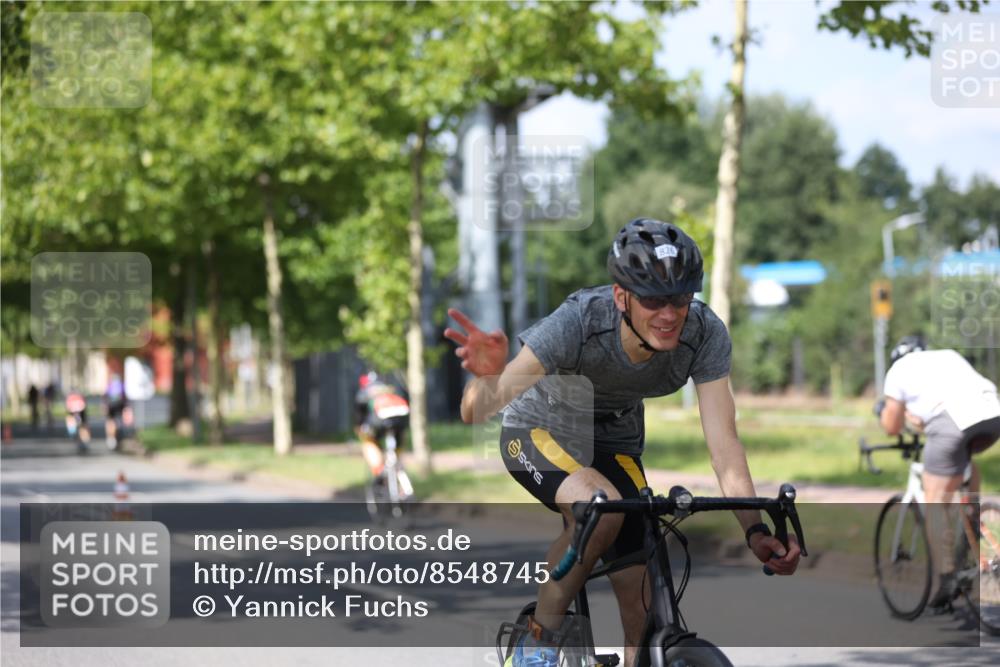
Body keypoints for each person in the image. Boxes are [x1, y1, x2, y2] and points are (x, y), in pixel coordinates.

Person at [445, 218, 800, 667]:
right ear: (621, 297)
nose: (669, 314)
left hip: (615, 441)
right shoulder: (579, 322)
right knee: (598, 506)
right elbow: (475, 411)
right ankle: (535, 643)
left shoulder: (704, 334)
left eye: (680, 298)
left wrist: (754, 530)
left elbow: (725, 447)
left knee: (642, 585)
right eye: (652, 299)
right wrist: (490, 376)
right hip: (538, 430)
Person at [878, 335, 1000, 607]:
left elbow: (891, 425)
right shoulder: (946, 355)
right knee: (962, 464)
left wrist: (891, 415)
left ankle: (948, 577)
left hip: (954, 421)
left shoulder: (897, 370)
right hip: (992, 413)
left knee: (935, 501)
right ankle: (972, 521)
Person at [354, 371, 410, 484]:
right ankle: (397, 464)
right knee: (398, 435)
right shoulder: (390, 387)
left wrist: (359, 427)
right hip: (399, 420)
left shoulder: (365, 391)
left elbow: (360, 411)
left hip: (379, 422)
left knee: (368, 441)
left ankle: (379, 471)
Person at [104, 373, 127, 450]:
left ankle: (111, 438)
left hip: (111, 406)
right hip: (119, 406)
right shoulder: (121, 385)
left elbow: (105, 396)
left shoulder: (110, 386)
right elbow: (125, 398)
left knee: (110, 422)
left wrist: (105, 406)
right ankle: (116, 436)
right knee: (117, 421)